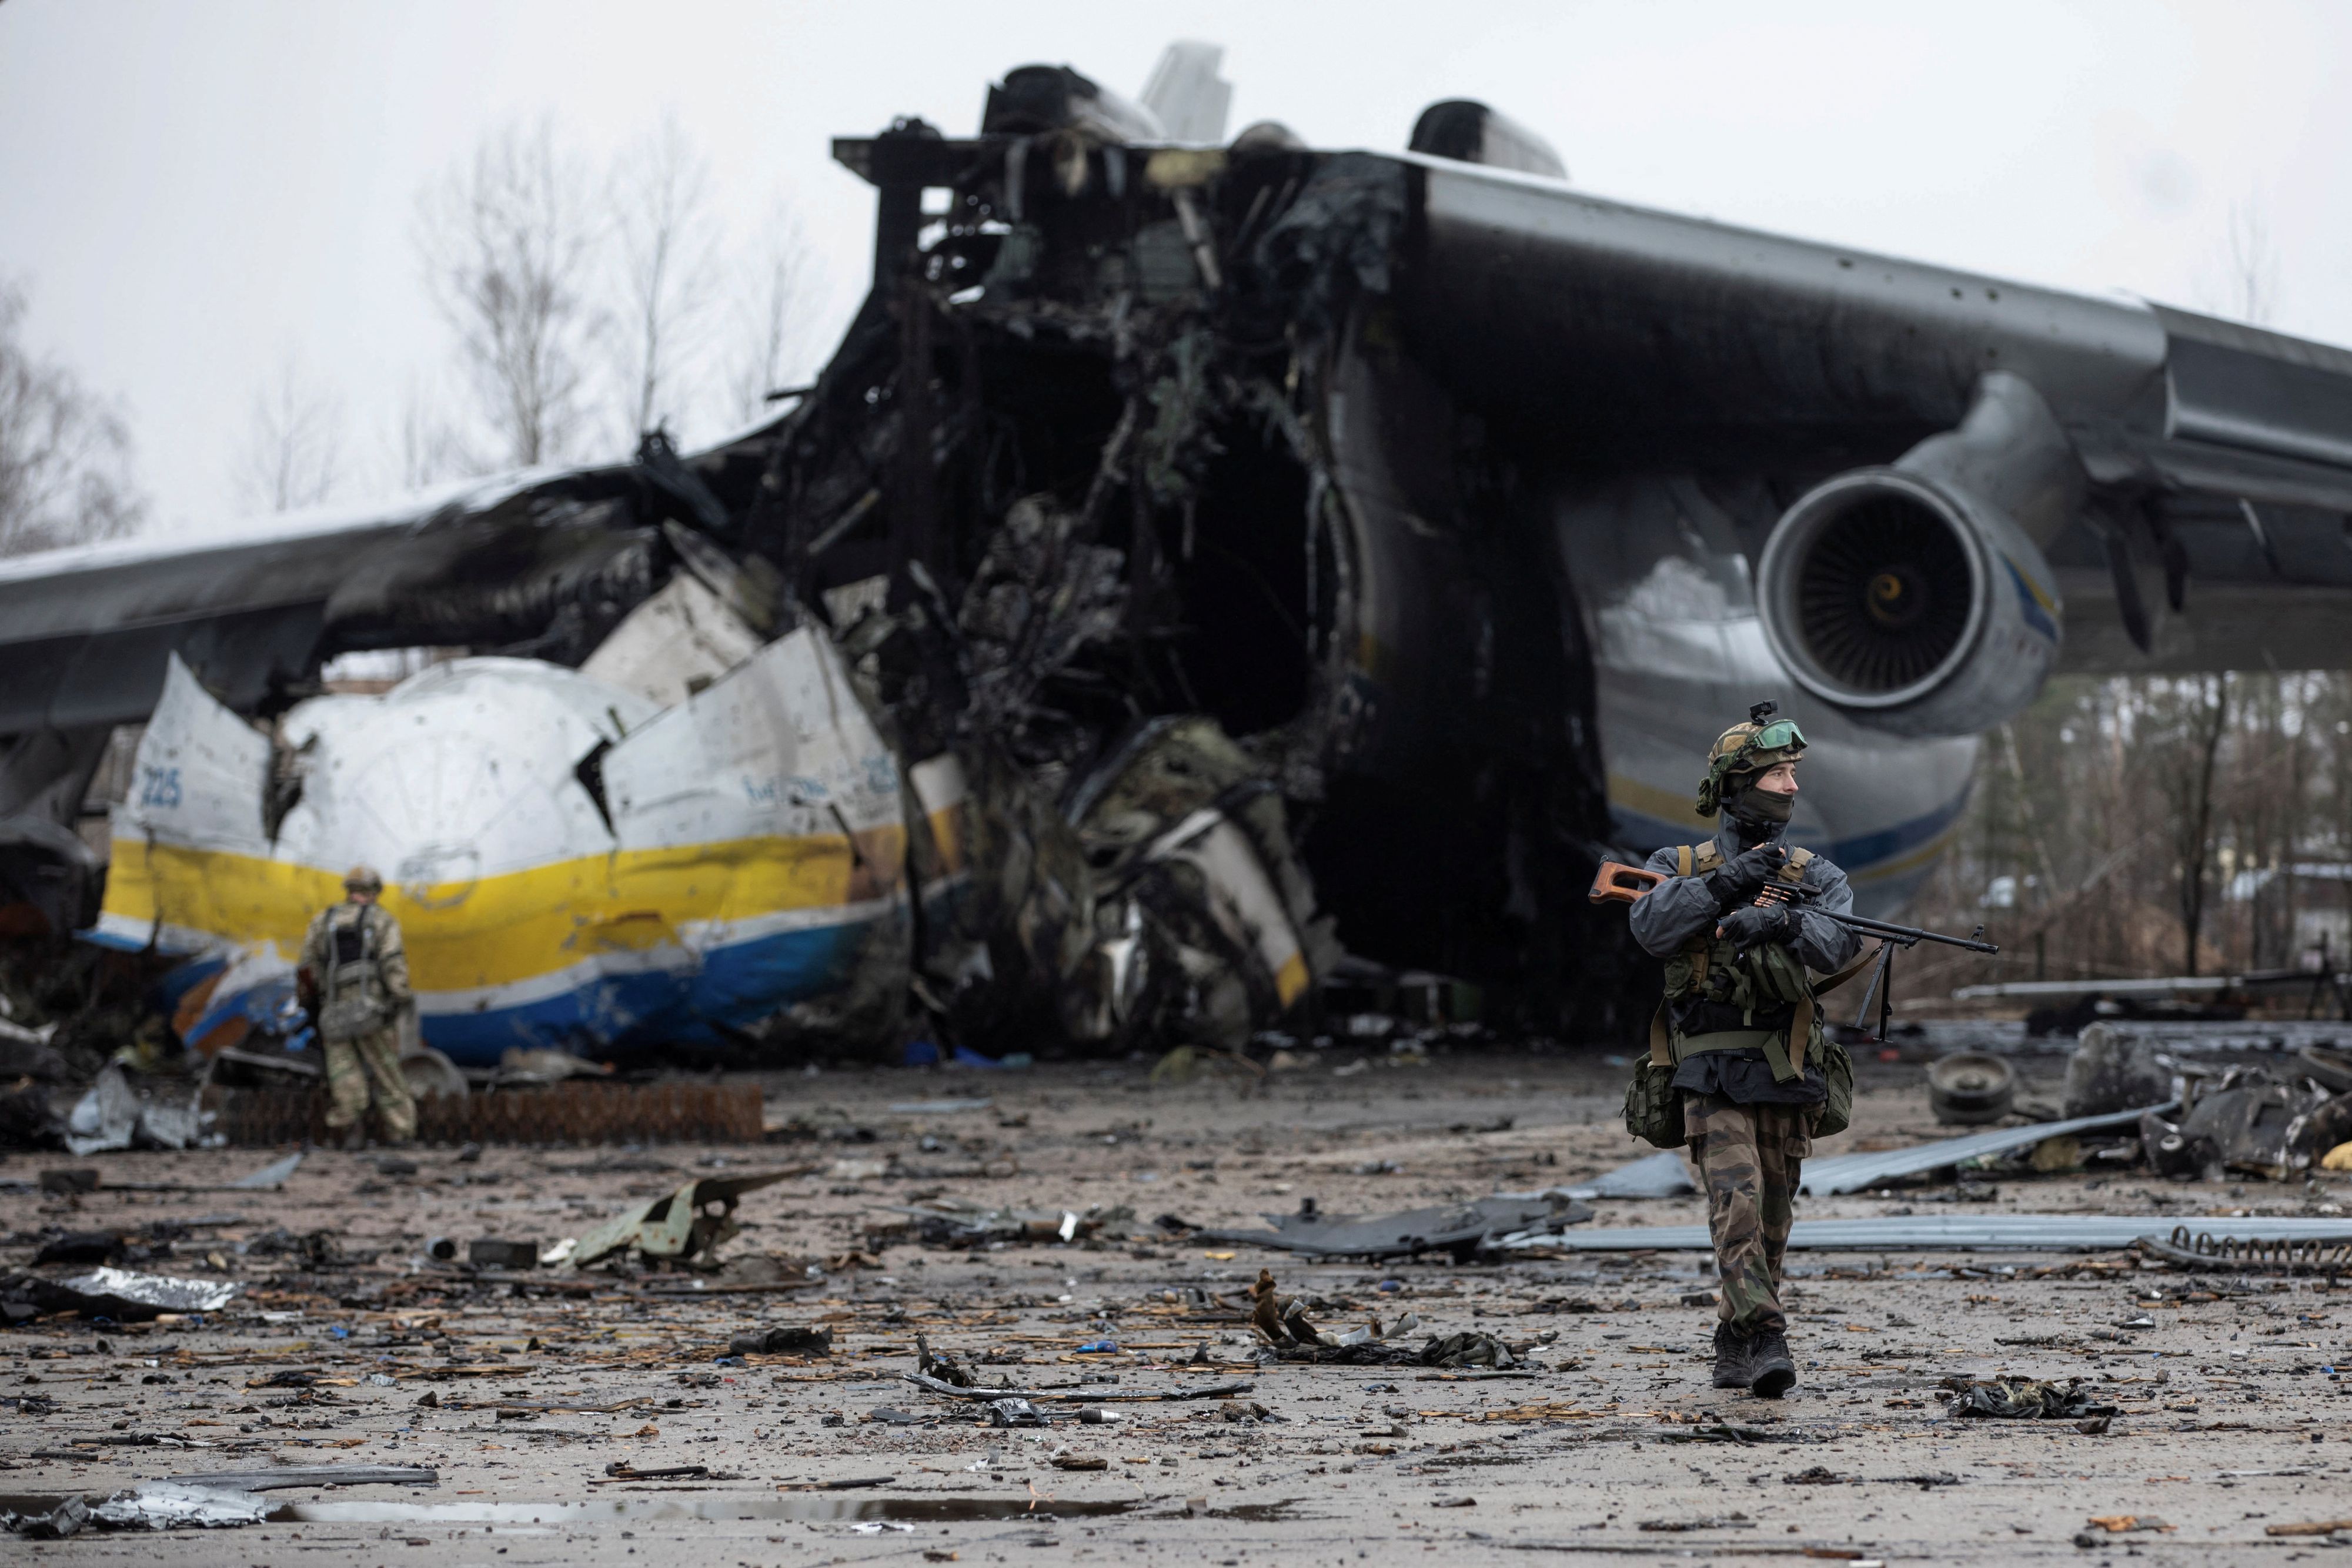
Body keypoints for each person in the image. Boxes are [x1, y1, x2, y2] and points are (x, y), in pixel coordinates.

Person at [1627, 704, 1860, 1397]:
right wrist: (1725, 887)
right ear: (1736, 785)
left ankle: (1733, 1341)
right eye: (1776, 773)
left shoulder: (1814, 874)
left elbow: (1837, 943)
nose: (1790, 786)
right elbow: (1650, 926)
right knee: (1735, 1203)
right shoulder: (1680, 865)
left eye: (1793, 772)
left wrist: (1781, 920)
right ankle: (1765, 1334)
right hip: (1707, 1065)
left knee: (1771, 1222)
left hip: (1785, 1066)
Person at [298, 864, 417, 1149]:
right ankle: (399, 1132)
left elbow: (306, 968)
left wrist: (312, 1005)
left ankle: (351, 1130)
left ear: (349, 890)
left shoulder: (323, 921)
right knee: (387, 1072)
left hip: (335, 1012)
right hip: (371, 1011)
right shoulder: (381, 920)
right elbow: (392, 963)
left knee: (343, 1074)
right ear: (374, 892)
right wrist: (400, 998)